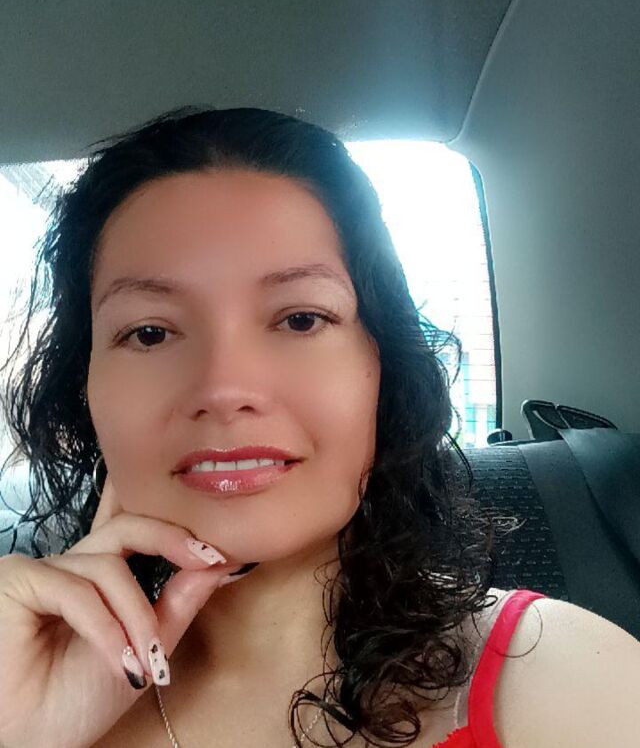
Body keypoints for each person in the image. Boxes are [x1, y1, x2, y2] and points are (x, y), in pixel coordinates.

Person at [0, 106, 637, 748]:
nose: (225, 390)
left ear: (383, 367)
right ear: (83, 389)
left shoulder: (566, 682)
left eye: (300, 319)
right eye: (150, 333)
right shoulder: (21, 687)